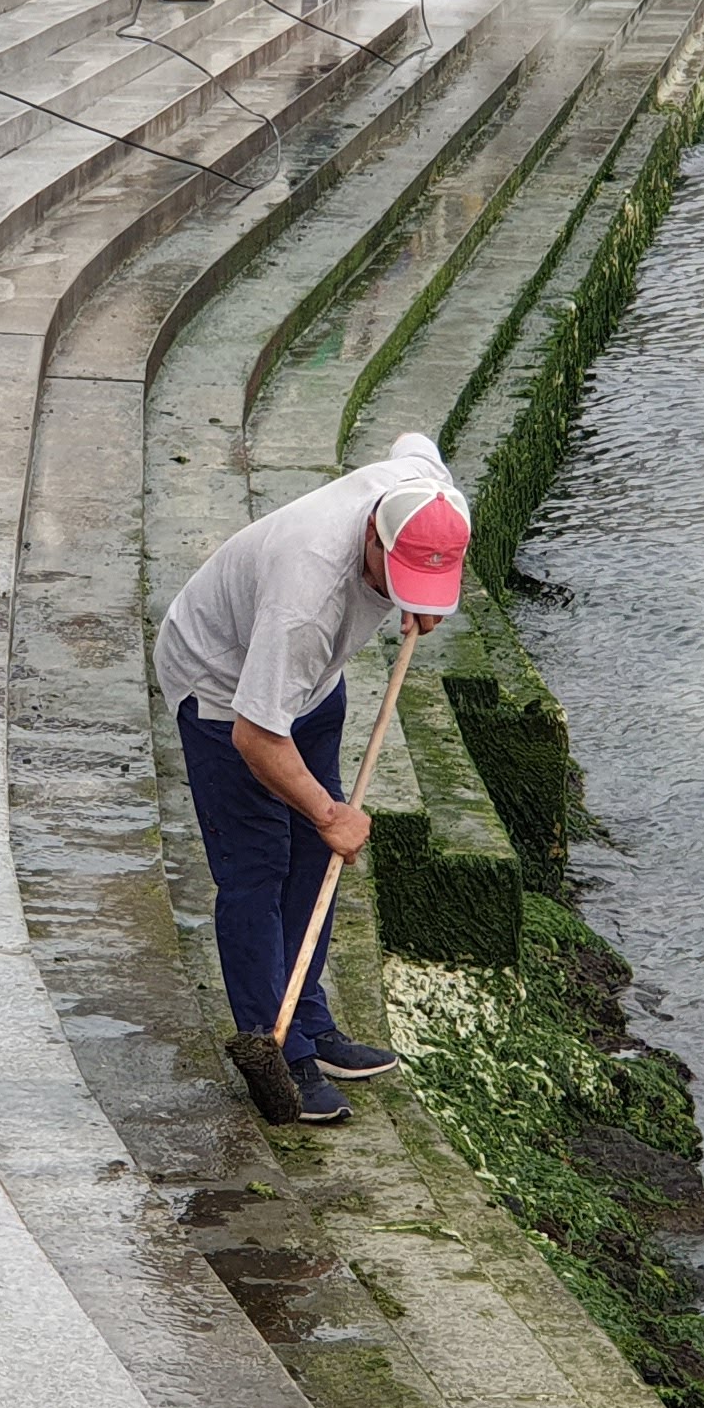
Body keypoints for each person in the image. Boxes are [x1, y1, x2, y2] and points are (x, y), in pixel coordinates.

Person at [152, 433, 472, 1124]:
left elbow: (418, 440)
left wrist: (431, 594)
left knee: (313, 859)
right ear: (374, 544)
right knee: (259, 866)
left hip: (312, 683)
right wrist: (330, 812)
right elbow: (255, 736)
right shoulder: (305, 595)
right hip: (221, 685)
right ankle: (281, 1049)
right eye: (400, 581)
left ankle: (309, 1019)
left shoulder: (429, 495)